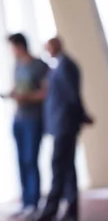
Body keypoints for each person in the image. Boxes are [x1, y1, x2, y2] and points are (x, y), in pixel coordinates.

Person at [36, 38, 93, 221]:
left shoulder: (66, 65)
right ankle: (69, 209)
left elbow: (72, 95)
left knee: (59, 164)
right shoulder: (58, 66)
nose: (48, 49)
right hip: (60, 123)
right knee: (67, 166)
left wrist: (81, 114)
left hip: (65, 124)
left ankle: (52, 208)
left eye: (50, 46)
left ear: (59, 46)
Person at [4, 33, 48, 218]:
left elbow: (45, 93)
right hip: (19, 118)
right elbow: (18, 87)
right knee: (21, 161)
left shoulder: (39, 65)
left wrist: (26, 97)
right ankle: (26, 201)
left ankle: (34, 202)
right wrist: (12, 94)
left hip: (33, 119)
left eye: (12, 47)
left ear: (20, 46)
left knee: (31, 160)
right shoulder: (17, 66)